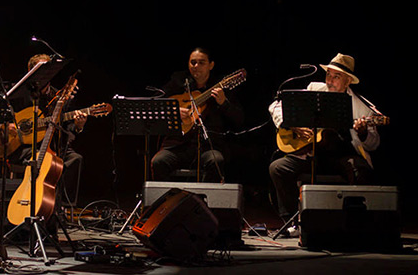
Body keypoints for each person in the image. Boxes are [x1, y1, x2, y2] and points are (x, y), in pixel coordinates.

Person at [268, 53, 382, 236]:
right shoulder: (315, 89)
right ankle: (293, 221)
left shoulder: (362, 107)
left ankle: (354, 224)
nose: (330, 80)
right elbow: (276, 105)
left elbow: (373, 144)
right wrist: (293, 125)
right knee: (278, 167)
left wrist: (362, 132)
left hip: (342, 157)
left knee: (362, 171)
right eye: (328, 74)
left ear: (348, 82)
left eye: (336, 76)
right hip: (312, 153)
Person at [151, 47, 244, 182]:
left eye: (201, 63)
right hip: (178, 145)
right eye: (193, 62)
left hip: (208, 146)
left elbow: (239, 119)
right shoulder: (178, 82)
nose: (196, 66)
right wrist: (174, 111)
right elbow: (155, 104)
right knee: (158, 161)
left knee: (216, 161)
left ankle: (203, 202)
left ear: (211, 65)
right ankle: (168, 201)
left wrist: (224, 103)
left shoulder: (221, 88)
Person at [6, 54, 86, 207]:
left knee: (75, 159)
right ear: (30, 71)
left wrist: (78, 126)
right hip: (24, 147)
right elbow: (0, 115)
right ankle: (33, 202)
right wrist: (8, 125)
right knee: (44, 160)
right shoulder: (17, 93)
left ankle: (58, 206)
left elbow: (68, 128)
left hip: (54, 146)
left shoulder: (59, 97)